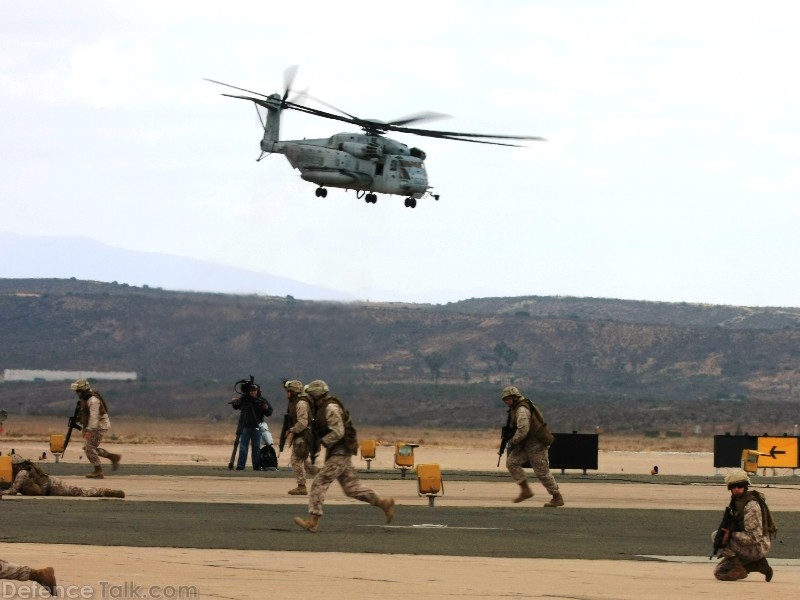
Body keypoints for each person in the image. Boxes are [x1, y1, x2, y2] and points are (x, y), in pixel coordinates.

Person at [293, 380, 395, 532]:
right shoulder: (321, 408)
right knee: (352, 488)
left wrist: (322, 442)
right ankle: (383, 502)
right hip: (338, 452)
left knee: (319, 481)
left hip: (341, 451)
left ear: (316, 395)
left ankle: (313, 520)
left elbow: (339, 432)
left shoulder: (330, 408)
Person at [500, 385, 564, 507]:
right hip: (526, 442)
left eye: (508, 399)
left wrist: (514, 441)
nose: (507, 402)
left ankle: (557, 496)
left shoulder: (522, 410)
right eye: (505, 400)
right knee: (512, 462)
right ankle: (525, 490)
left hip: (536, 443)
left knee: (542, 472)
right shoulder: (516, 408)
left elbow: (523, 430)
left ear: (515, 397)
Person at [711, 470, 776, 582]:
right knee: (719, 572)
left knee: (718, 536)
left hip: (758, 546)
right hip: (748, 545)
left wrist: (729, 535)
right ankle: (759, 565)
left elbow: (754, 537)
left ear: (745, 486)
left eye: (739, 486)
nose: (736, 489)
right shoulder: (736, 502)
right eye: (733, 486)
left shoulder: (751, 505)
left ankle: (740, 568)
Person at [0, 454, 125, 498]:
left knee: (80, 492)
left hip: (53, 486)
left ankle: (105, 492)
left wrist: (2, 492)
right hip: (50, 485)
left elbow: (13, 491)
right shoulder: (24, 470)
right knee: (78, 491)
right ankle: (104, 491)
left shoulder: (22, 473)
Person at [71, 378, 121, 478]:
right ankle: (113, 457)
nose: (77, 393)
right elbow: (85, 414)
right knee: (89, 448)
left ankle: (98, 471)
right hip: (96, 426)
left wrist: (89, 430)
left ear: (83, 390)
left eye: (78, 391)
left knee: (89, 449)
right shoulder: (85, 399)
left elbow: (94, 417)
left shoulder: (93, 400)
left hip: (100, 426)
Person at [282, 379, 317, 495]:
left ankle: (301, 486)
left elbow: (303, 422)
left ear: (293, 392)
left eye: (288, 391)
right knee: (305, 463)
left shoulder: (300, 403)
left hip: (303, 436)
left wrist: (291, 430)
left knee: (296, 460)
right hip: (302, 435)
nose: (287, 393)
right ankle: (323, 476)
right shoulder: (295, 403)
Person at [231, 381, 273, 470]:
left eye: (254, 391)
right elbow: (236, 406)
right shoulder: (244, 400)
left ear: (258, 391)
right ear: (248, 391)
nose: (253, 392)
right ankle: (240, 465)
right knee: (243, 447)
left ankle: (256, 466)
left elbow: (269, 412)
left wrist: (266, 408)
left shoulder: (261, 401)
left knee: (256, 448)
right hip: (245, 426)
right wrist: (234, 402)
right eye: (251, 391)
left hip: (257, 427)